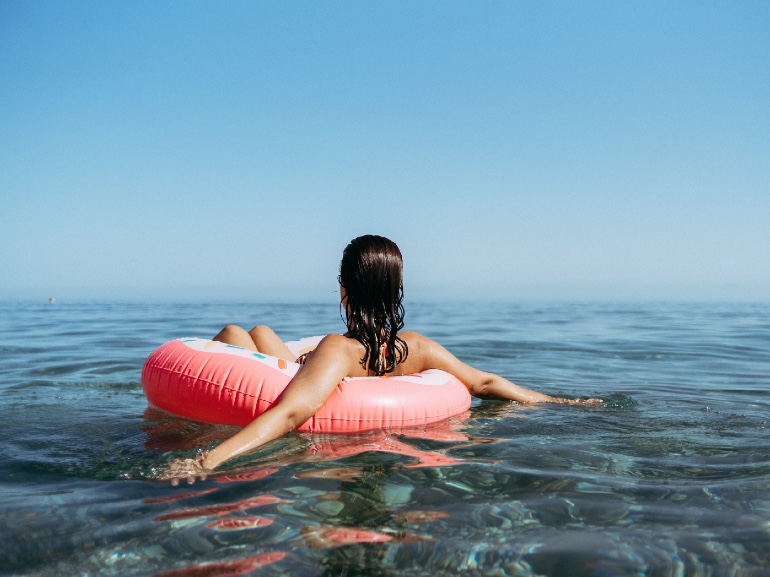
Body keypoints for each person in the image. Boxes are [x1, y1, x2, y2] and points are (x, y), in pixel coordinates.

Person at [165, 235, 598, 481]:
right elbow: (484, 383)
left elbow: (292, 412)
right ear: (396, 291)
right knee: (260, 332)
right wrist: (560, 403)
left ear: (344, 289)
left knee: (238, 333)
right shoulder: (415, 347)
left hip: (303, 390)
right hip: (334, 372)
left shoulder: (339, 348)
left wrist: (207, 460)